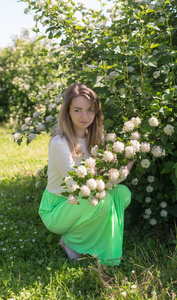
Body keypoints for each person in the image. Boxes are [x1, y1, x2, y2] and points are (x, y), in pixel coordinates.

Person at [38, 82, 133, 265]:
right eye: (78, 110)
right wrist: (119, 171)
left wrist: (127, 162)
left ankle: (84, 242)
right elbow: (83, 187)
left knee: (122, 194)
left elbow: (106, 179)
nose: (85, 116)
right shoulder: (60, 143)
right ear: (68, 112)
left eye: (90, 110)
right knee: (103, 202)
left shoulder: (95, 137)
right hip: (57, 208)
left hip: (82, 199)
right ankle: (71, 242)